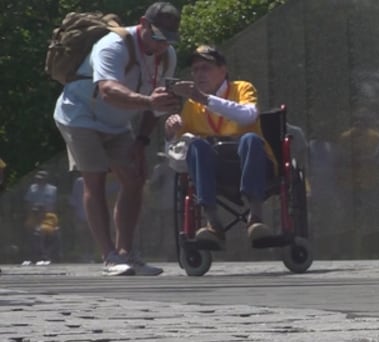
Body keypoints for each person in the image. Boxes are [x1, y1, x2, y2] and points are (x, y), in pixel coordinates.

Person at [53, 2, 180, 275]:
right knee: (95, 178)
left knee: (134, 179)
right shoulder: (113, 46)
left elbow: (159, 105)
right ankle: (109, 256)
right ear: (143, 24)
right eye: (157, 36)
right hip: (80, 115)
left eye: (168, 39)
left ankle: (126, 253)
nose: (161, 45)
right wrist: (148, 101)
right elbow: (108, 90)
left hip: (117, 123)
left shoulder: (167, 55)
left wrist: (142, 141)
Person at [166, 44, 274, 247]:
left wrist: (205, 99)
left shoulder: (242, 88)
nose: (199, 74)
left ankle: (256, 218)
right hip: (216, 171)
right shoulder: (191, 104)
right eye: (195, 69)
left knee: (249, 139)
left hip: (252, 164)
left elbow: (248, 115)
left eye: (205, 68)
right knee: (196, 146)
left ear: (223, 70)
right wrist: (170, 133)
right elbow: (177, 152)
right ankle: (213, 223)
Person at [23, 171, 60, 265]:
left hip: (48, 215)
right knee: (30, 231)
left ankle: (45, 255)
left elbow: (55, 204)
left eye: (42, 178)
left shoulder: (53, 189)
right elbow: (28, 202)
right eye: (38, 178)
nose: (39, 180)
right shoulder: (32, 188)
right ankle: (33, 255)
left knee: (43, 231)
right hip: (34, 214)